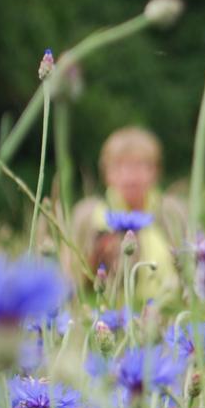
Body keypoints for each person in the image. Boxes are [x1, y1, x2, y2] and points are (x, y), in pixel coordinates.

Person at [70, 127, 189, 304]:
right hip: (107, 318)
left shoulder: (173, 212)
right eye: (119, 167)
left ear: (155, 171)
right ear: (106, 173)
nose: (130, 177)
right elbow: (70, 278)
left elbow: (191, 272)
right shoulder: (88, 215)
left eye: (139, 166)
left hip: (168, 315)